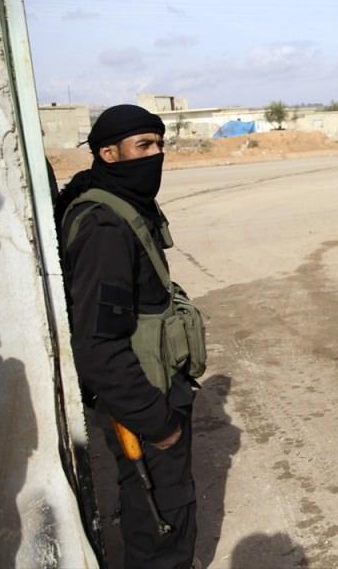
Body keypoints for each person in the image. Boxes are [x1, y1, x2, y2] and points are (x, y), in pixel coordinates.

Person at [56, 105, 204, 569]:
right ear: (109, 153)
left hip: (154, 387)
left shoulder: (123, 204)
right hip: (145, 399)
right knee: (159, 516)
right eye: (143, 145)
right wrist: (159, 423)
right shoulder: (105, 226)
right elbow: (97, 346)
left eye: (159, 144)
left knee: (157, 507)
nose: (155, 154)